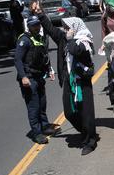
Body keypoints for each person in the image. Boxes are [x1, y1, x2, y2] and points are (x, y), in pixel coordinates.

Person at [38, 12, 99, 155]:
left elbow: (76, 51)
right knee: (69, 112)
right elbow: (51, 29)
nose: (65, 30)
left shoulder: (84, 40)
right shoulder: (64, 39)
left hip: (81, 81)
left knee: (86, 112)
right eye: (64, 27)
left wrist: (71, 38)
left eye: (67, 27)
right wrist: (40, 14)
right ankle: (84, 131)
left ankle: (90, 140)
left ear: (74, 27)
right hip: (68, 81)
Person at [14, 15, 57, 144]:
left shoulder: (39, 38)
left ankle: (45, 126)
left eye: (38, 24)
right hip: (29, 77)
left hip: (39, 76)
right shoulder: (24, 40)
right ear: (29, 26)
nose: (37, 27)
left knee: (42, 104)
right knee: (34, 107)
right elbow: (17, 60)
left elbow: (44, 55)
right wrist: (23, 77)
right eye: (34, 25)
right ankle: (37, 133)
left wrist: (49, 69)